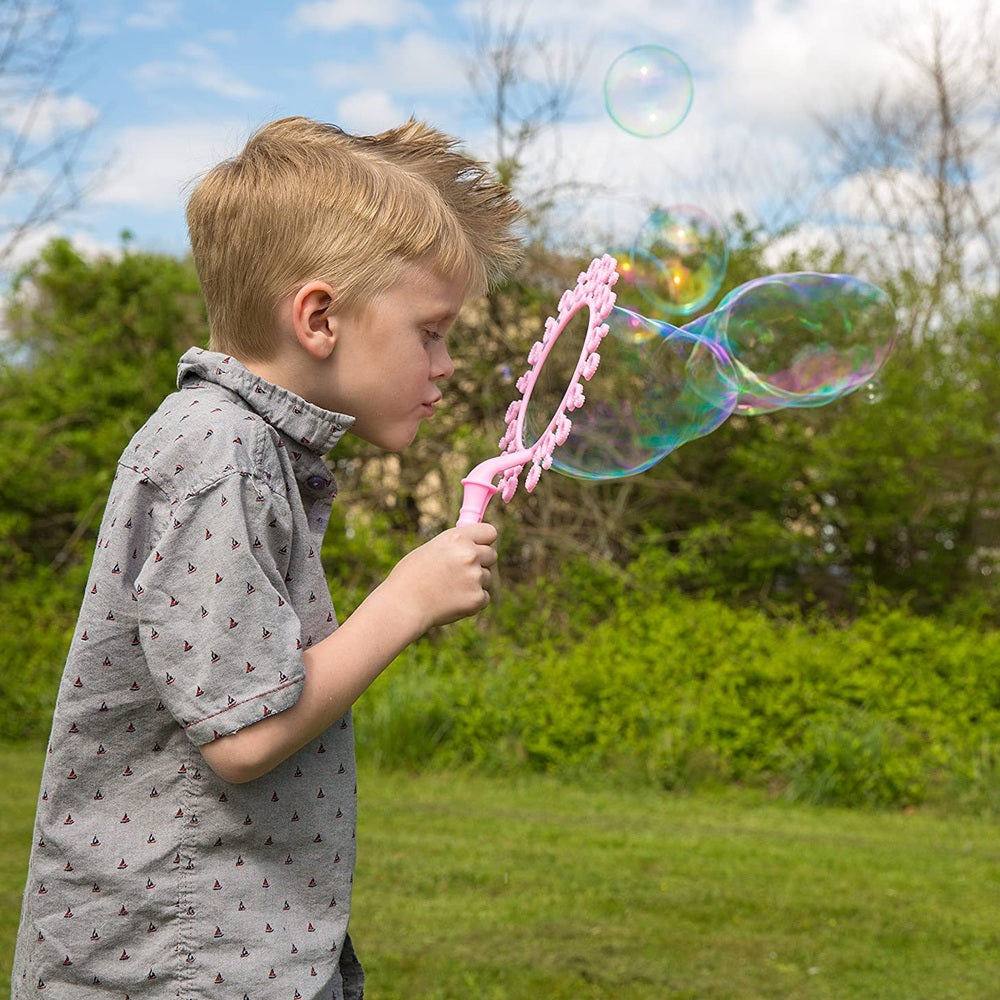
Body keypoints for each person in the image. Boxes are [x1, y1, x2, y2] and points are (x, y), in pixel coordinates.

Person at [12, 115, 523, 1000]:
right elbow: (244, 738)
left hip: (226, 942)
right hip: (172, 958)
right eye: (432, 332)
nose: (446, 365)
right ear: (319, 317)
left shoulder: (250, 448)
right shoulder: (223, 451)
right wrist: (405, 598)